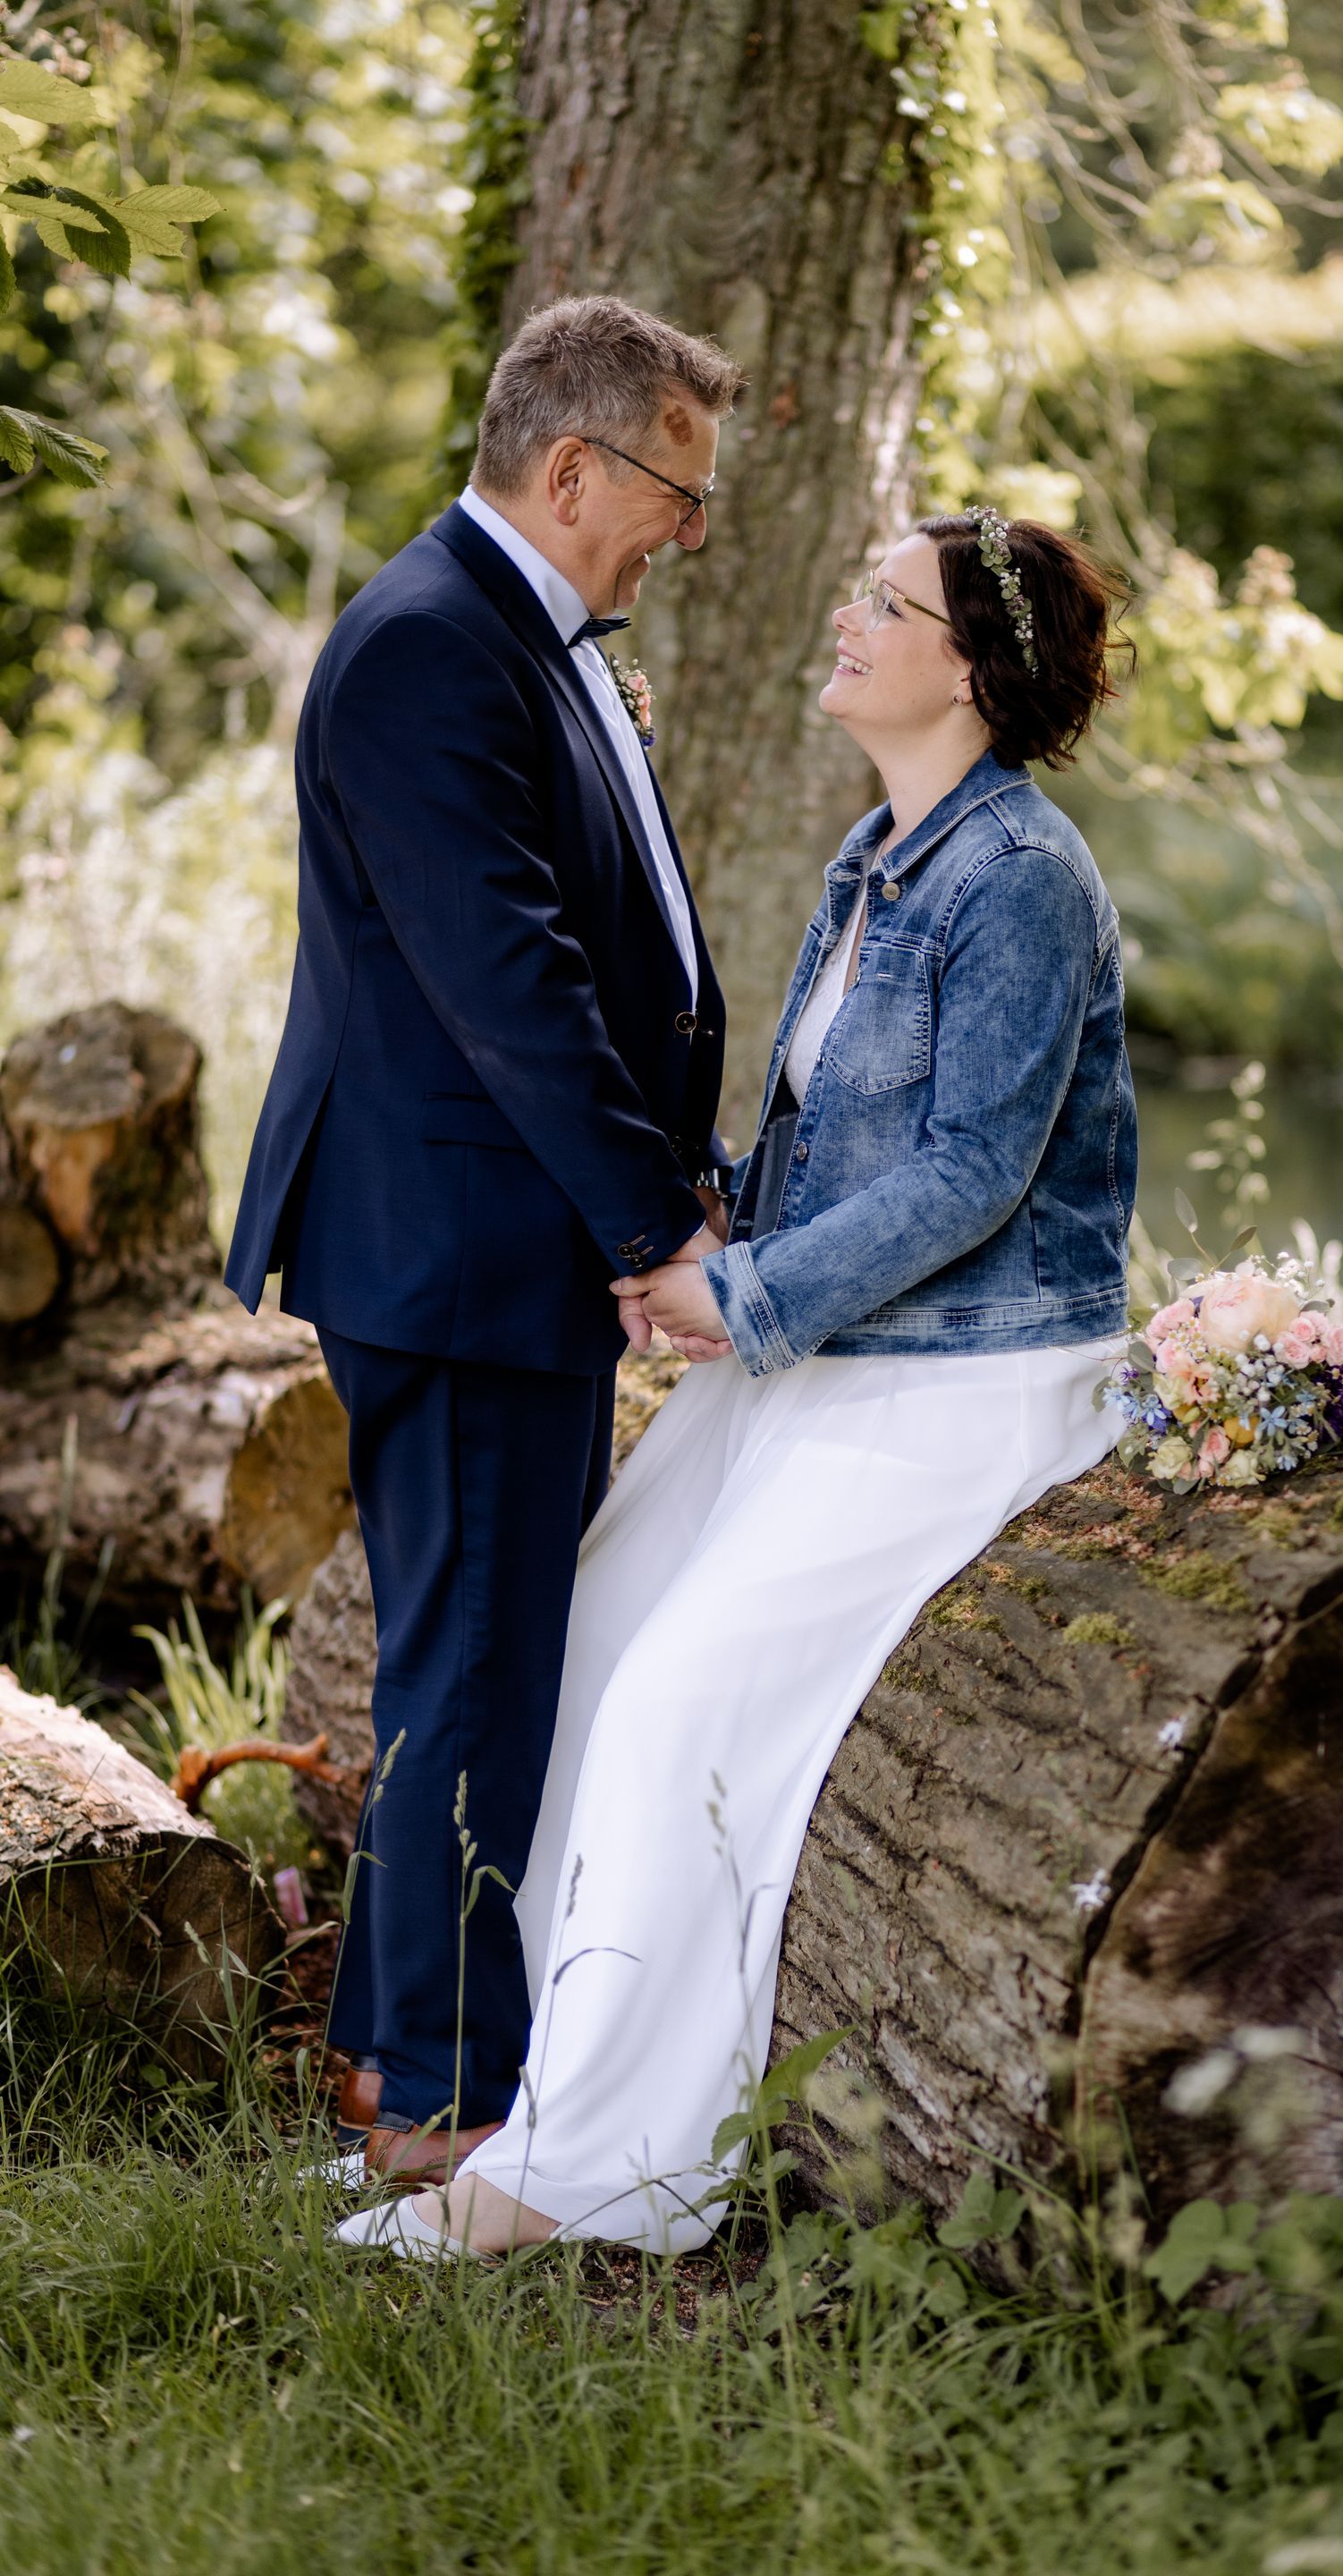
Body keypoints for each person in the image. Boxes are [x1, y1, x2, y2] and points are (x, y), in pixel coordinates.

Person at [335, 502, 1140, 2259]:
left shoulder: (1026, 883)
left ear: (972, 669)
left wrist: (746, 1295)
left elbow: (971, 1182)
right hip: (840, 1349)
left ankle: (595, 2172)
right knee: (598, 1628)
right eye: (858, 586)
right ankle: (529, 2084)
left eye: (888, 601)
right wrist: (711, 1240)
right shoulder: (879, 859)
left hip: (969, 1377)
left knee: (680, 1704)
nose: (846, 617)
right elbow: (831, 1142)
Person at [225, 296, 745, 2183]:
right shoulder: (430, 649)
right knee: (475, 1666)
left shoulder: (529, 634)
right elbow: (507, 984)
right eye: (678, 492)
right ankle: (437, 2108)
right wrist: (651, 1226)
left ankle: (397, 2048)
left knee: (489, 1649)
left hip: (496, 1239)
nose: (690, 532)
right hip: (454, 1248)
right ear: (572, 467)